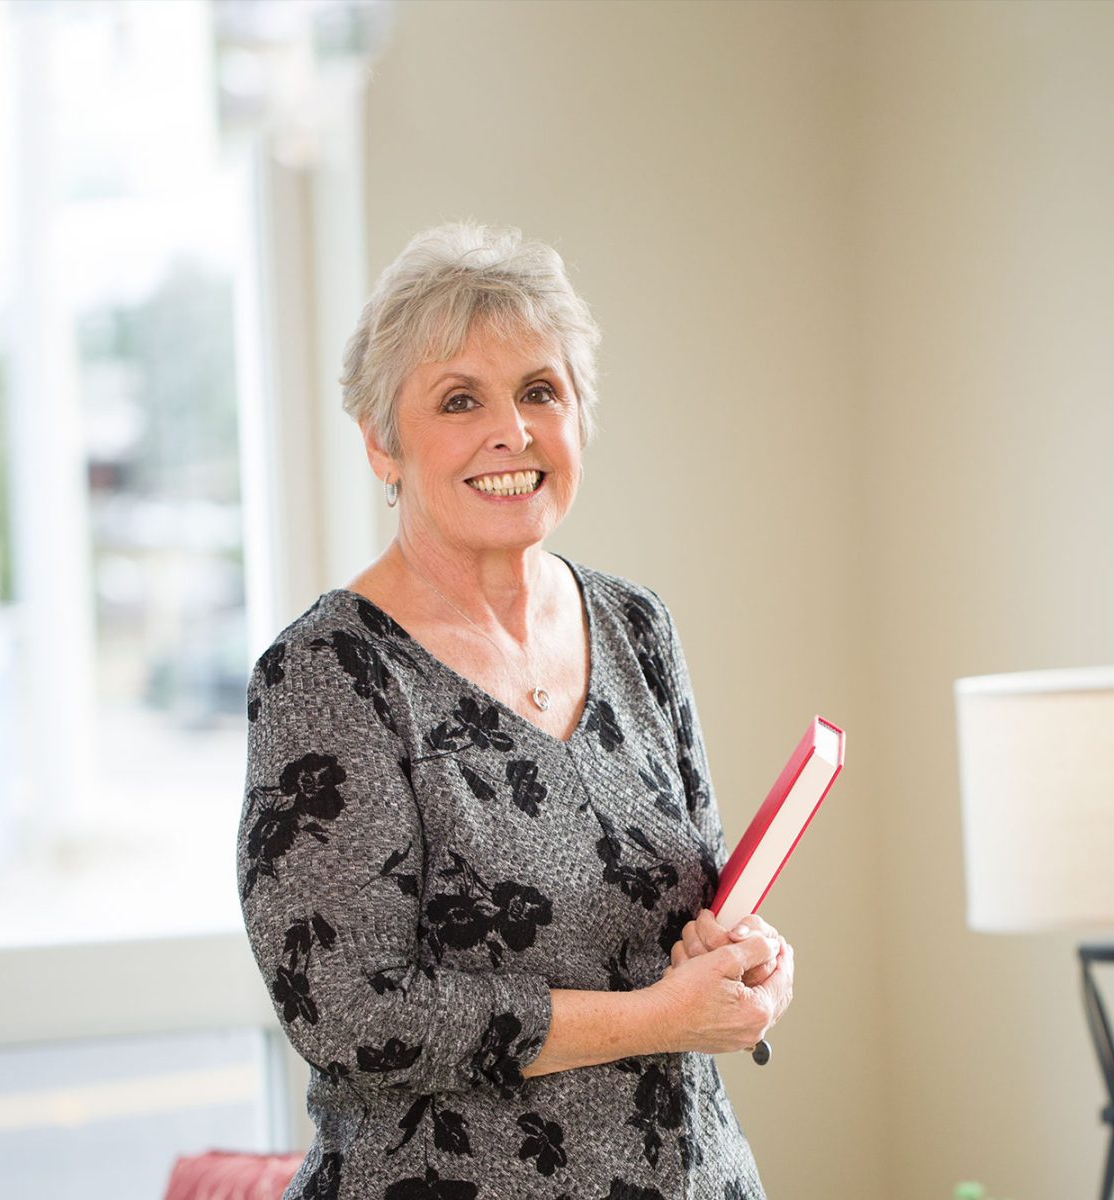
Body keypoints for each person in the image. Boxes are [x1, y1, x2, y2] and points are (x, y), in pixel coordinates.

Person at [238, 222, 794, 1200]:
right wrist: (661, 1018)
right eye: (461, 400)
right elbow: (354, 1015)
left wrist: (742, 960)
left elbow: (698, 907)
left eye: (541, 390)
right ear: (381, 443)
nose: (515, 431)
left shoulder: (635, 625)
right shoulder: (328, 673)